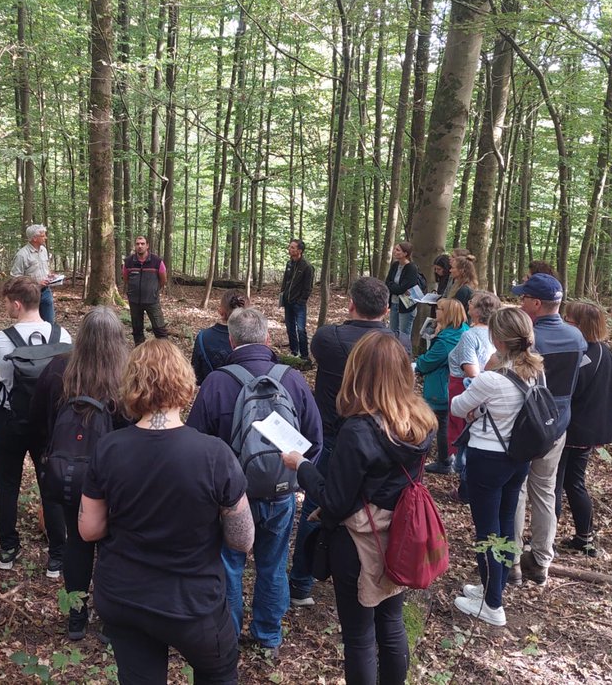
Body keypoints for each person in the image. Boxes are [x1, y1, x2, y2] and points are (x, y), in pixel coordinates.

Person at [80, 339, 254, 684]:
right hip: (194, 603)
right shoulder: (214, 454)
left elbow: (90, 529)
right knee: (218, 674)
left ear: (131, 385)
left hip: (125, 597)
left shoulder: (109, 449)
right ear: (185, 383)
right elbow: (242, 539)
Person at [281, 333, 436, 685]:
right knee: (391, 623)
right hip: (399, 533)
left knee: (359, 635)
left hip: (359, 540)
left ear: (358, 372)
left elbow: (335, 500)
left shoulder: (359, 430)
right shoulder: (420, 422)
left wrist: (302, 466)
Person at [187, 307, 324, 656]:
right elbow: (316, 440)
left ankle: (229, 637)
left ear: (231, 340)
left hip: (231, 498)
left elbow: (193, 442)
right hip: (280, 493)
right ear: (267, 338)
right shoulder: (292, 380)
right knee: (273, 564)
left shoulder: (216, 382)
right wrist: (296, 477)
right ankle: (268, 637)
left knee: (230, 565)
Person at [289, 277, 398, 607]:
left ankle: (302, 583)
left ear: (351, 304)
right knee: (372, 507)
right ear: (387, 310)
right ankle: (368, 577)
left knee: (317, 503)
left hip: (335, 435)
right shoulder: (398, 342)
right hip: (383, 437)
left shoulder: (329, 338)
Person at [32, 306, 131, 640]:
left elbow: (39, 424)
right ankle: (109, 619)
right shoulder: (128, 377)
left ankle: (77, 617)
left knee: (78, 540)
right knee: (112, 544)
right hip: (117, 478)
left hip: (71, 475)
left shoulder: (59, 370)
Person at [450, 307, 544, 627]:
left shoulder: (491, 379)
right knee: (504, 524)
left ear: (497, 341)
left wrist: (476, 404)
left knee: (487, 530)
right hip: (518, 458)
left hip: (487, 459)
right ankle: (494, 586)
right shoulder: (535, 371)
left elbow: (458, 407)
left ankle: (493, 605)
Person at [0, 276, 70, 574]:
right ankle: (58, 555)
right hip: (50, 423)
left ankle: (8, 549)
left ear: (17, 304)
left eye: (7, 302)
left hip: (11, 419)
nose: (6, 307)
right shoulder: (63, 337)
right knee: (52, 484)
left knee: (8, 485)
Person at [510, 272, 586, 585]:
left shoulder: (528, 340)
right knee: (544, 490)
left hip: (525, 423)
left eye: (524, 297)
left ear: (537, 304)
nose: (520, 301)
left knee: (516, 490)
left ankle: (512, 561)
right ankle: (541, 559)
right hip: (558, 424)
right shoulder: (577, 337)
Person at [555, 301, 612, 557]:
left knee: (556, 485)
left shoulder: (585, 354)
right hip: (586, 429)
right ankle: (585, 537)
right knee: (574, 483)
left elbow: (571, 389)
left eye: (568, 319)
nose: (564, 322)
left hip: (573, 429)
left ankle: (546, 541)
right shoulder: (604, 351)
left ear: (580, 325)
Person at [414, 298, 468, 474]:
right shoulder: (462, 331)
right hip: (450, 386)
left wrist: (418, 363)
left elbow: (428, 362)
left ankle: (444, 460)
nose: (435, 312)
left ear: (448, 314)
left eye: (439, 309)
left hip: (440, 387)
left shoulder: (446, 341)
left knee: (440, 422)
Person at [447, 291, 501, 463]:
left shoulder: (469, 336)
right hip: (490, 387)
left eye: (472, 302)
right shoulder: (496, 333)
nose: (468, 303)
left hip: (464, 387)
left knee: (460, 428)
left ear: (478, 311)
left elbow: (471, 371)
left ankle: (459, 466)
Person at [191, 290, 248, 385]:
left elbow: (197, 376)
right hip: (247, 397)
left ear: (221, 311)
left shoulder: (203, 337)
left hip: (213, 394)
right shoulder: (254, 336)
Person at [122, 235, 169, 345]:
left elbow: (163, 279)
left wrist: (153, 290)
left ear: (147, 246)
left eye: (142, 244)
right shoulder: (128, 262)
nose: (140, 246)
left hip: (152, 301)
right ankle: (140, 355)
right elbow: (126, 278)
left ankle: (164, 355)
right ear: (135, 246)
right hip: (134, 302)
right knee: (137, 331)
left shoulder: (157, 261)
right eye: (138, 244)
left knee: (160, 330)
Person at [12, 223, 58, 324]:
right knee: (31, 323)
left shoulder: (43, 250)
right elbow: (15, 277)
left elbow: (44, 268)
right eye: (43, 235)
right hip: (29, 294)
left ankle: (47, 340)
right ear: (34, 238)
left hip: (46, 292)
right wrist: (35, 284)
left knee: (49, 323)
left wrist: (50, 275)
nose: (45, 237)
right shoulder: (22, 255)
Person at [280, 238, 315, 367]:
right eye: (290, 247)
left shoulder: (307, 267)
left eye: (293, 247)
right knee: (290, 328)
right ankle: (294, 352)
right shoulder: (289, 264)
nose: (290, 249)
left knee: (301, 329)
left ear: (299, 251)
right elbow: (285, 281)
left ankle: (305, 355)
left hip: (298, 304)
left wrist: (301, 301)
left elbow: (308, 288)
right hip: (288, 302)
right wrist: (282, 294)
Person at [385, 241, 423, 348]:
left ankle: (404, 358)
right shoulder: (395, 265)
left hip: (406, 305)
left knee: (404, 335)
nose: (395, 252)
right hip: (394, 303)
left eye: (398, 250)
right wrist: (396, 287)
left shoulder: (411, 268)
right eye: (395, 249)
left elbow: (404, 288)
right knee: (393, 332)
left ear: (405, 253)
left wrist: (394, 287)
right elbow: (387, 282)